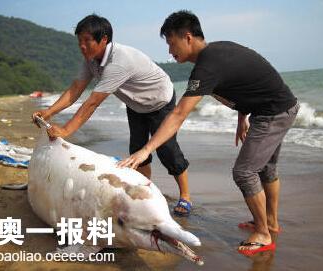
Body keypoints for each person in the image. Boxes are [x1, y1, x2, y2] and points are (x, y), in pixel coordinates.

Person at [118, 10, 299, 255]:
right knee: (266, 169)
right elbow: (246, 82)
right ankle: (270, 223)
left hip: (273, 113)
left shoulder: (207, 67)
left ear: (188, 37)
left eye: (172, 43)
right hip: (276, 107)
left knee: (244, 172)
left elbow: (179, 114)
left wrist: (146, 149)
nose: (170, 52)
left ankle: (264, 234)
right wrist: (241, 116)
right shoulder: (217, 53)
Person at [32, 14, 192, 216]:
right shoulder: (91, 60)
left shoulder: (119, 61)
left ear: (104, 39)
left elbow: (92, 103)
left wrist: (65, 130)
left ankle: (185, 196)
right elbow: (75, 89)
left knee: (168, 151)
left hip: (159, 100)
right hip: (135, 104)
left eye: (87, 41)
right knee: (137, 150)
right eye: (79, 41)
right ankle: (147, 191)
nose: (82, 46)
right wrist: (48, 112)